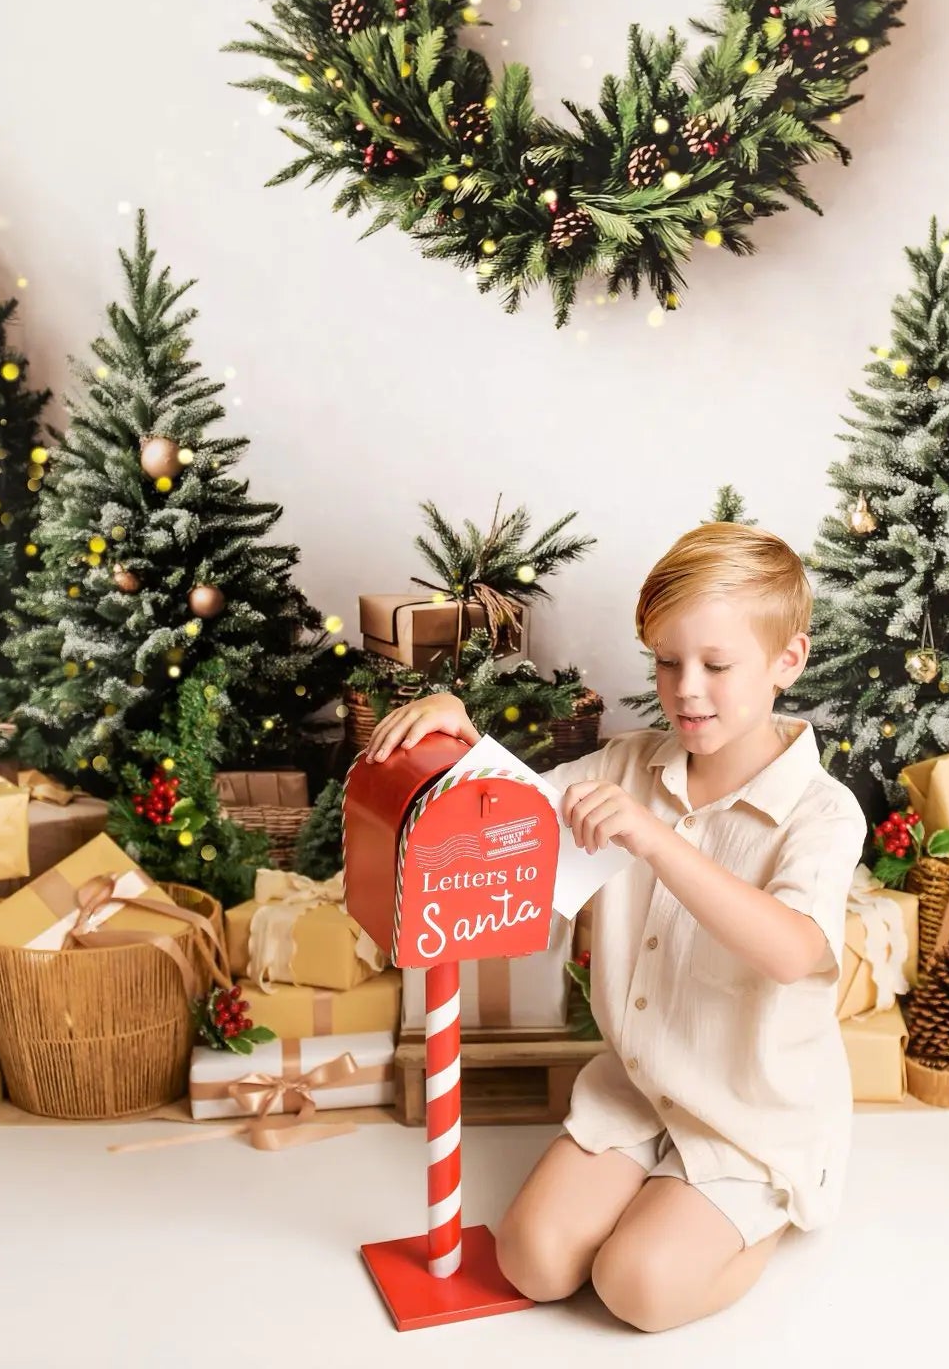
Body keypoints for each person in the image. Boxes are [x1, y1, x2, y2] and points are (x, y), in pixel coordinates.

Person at [365, 521, 866, 1332]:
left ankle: (767, 1210)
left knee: (636, 1288)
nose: (687, 689)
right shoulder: (629, 765)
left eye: (716, 664)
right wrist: (461, 732)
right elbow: (514, 808)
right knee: (533, 1261)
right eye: (668, 662)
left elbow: (791, 950)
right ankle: (656, 1186)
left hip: (749, 1113)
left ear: (788, 662)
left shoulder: (821, 812)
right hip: (639, 1093)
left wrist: (655, 839)